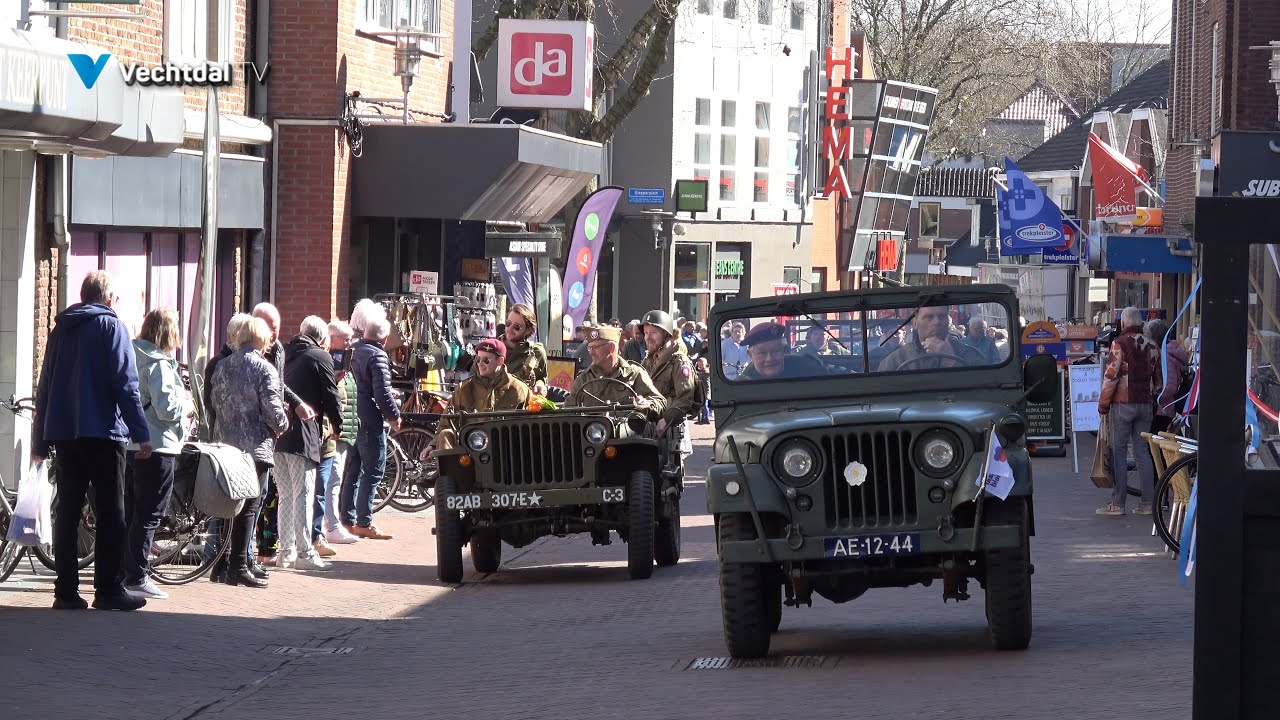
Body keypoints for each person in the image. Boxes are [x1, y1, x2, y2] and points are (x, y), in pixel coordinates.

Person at [33, 270, 152, 611]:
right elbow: (125, 384)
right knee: (111, 513)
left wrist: (40, 441)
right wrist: (141, 433)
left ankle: (66, 591)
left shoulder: (60, 330)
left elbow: (46, 385)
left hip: (66, 435)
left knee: (67, 512)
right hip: (103, 432)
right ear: (108, 297)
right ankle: (108, 589)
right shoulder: (112, 327)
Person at [209, 316, 290, 589]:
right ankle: (239, 567)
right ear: (262, 339)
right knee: (248, 506)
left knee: (226, 506)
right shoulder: (264, 369)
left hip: (224, 445)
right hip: (254, 447)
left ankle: (220, 564)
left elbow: (215, 402)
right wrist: (283, 424)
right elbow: (273, 410)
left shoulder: (221, 366)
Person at [122, 307, 192, 601]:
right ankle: (137, 575)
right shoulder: (159, 363)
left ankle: (123, 572)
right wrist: (187, 406)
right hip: (158, 444)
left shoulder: (130, 355)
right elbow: (166, 408)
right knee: (150, 513)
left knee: (131, 512)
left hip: (130, 444)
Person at [273, 316, 343, 570]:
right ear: (322, 338)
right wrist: (338, 424)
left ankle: (286, 552)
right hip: (304, 434)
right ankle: (304, 552)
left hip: (279, 435)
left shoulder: (284, 353)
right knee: (303, 495)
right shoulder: (320, 357)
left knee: (286, 495)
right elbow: (331, 393)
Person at [1097, 307, 1162, 516]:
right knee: (1143, 452)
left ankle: (1118, 503)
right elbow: (1159, 382)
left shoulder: (1120, 343)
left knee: (1119, 451)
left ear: (1124, 323)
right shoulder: (1152, 345)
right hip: (1145, 403)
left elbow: (1111, 376)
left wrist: (1103, 404)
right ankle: (1147, 503)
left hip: (1123, 403)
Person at [342, 316, 401, 540]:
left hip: (351, 414)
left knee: (353, 469)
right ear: (384, 338)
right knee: (373, 470)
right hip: (368, 418)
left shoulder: (353, 350)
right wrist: (394, 416)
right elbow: (382, 392)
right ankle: (364, 522)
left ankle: (347, 520)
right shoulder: (377, 355)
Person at [431, 338, 532, 453]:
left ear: (500, 361)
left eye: (486, 360)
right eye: (478, 360)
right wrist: (433, 446)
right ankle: (449, 471)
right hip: (471, 450)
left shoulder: (519, 389)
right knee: (445, 434)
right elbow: (447, 422)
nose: (480, 364)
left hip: (507, 449)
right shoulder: (464, 388)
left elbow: (532, 422)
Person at [317, 320, 360, 548]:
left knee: (335, 480)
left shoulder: (345, 359)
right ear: (331, 338)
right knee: (332, 481)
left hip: (343, 429)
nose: (349, 342)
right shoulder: (329, 360)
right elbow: (331, 395)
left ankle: (330, 524)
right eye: (345, 339)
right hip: (334, 431)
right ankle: (331, 525)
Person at [639, 311, 697, 475]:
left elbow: (685, 397)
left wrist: (666, 419)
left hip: (669, 429)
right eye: (646, 333)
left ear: (666, 334)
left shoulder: (679, 361)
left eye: (654, 333)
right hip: (649, 426)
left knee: (666, 482)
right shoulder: (649, 360)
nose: (648, 337)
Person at [566, 326, 666, 416]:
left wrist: (646, 404)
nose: (591, 352)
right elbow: (568, 409)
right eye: (590, 348)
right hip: (591, 433)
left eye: (596, 348)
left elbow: (660, 402)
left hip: (626, 434)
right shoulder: (584, 378)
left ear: (612, 348)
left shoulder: (634, 374)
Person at [878, 305, 986, 372]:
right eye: (929, 317)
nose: (937, 322)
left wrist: (951, 361)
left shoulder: (971, 356)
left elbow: (984, 391)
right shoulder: (895, 361)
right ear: (915, 323)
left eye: (942, 316)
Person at [738, 322, 826, 380]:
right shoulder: (742, 384)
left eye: (776, 351)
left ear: (784, 351)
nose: (769, 359)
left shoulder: (808, 368)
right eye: (762, 353)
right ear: (750, 355)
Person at [1146, 318, 1189, 435]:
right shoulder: (1166, 353)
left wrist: (1155, 396)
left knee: (1154, 445)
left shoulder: (1165, 355)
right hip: (1164, 408)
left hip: (1162, 408)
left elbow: (1170, 386)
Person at [502, 302, 548, 389]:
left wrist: (540, 386)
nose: (510, 329)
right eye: (508, 323)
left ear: (528, 330)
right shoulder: (491, 349)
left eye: (516, 327)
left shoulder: (536, 352)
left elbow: (542, 378)